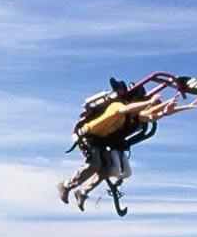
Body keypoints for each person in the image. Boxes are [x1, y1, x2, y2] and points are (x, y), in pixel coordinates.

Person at [58, 83, 186, 211]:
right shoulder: (117, 105)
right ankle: (66, 185)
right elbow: (127, 109)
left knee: (105, 169)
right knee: (95, 164)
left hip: (100, 140)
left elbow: (149, 116)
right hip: (88, 135)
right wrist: (150, 101)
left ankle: (83, 192)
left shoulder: (132, 118)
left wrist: (164, 111)